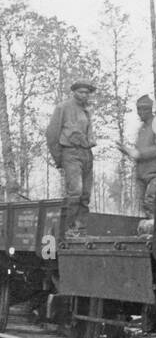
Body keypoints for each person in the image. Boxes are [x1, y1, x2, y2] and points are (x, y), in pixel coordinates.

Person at [45, 80, 97, 233]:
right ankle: (67, 229)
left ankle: (81, 228)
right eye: (81, 92)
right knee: (75, 192)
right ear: (74, 92)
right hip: (71, 152)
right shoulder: (63, 107)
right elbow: (51, 134)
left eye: (87, 92)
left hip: (86, 153)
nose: (84, 95)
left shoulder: (86, 111)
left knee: (85, 194)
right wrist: (59, 158)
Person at [115, 94, 156, 217]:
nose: (141, 112)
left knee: (153, 205)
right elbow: (138, 153)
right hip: (142, 174)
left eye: (145, 109)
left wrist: (139, 154)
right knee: (144, 208)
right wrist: (128, 151)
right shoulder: (142, 129)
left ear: (151, 109)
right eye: (139, 109)